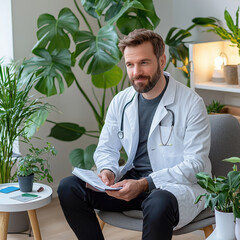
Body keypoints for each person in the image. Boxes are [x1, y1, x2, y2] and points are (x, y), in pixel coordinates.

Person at [57, 29, 211, 240]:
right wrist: (107, 170)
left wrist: (145, 183)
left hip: (171, 188)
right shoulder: (121, 101)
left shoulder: (191, 103)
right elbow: (106, 148)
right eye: (130, 64)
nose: (136, 72)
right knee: (69, 188)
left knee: (158, 203)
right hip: (130, 185)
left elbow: (195, 165)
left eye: (144, 63)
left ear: (162, 60)